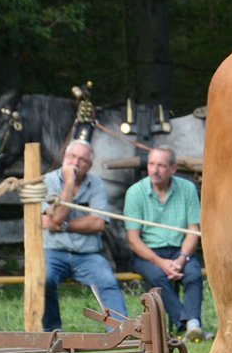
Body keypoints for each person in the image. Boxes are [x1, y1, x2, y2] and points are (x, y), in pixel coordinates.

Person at [42, 139, 128, 331]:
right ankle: (51, 331)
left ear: (89, 165)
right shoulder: (48, 181)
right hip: (54, 251)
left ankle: (120, 331)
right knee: (45, 279)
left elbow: (97, 223)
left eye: (81, 160)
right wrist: (69, 183)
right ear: (64, 158)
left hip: (88, 254)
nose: (75, 163)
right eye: (71, 157)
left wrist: (61, 224)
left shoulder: (96, 184)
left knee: (107, 280)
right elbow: (54, 218)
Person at [124, 146, 207, 342]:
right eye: (151, 164)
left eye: (161, 165)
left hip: (181, 250)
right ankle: (189, 325)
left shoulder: (187, 189)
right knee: (158, 277)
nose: (155, 170)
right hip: (148, 253)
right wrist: (160, 262)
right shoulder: (135, 192)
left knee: (193, 275)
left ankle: (191, 324)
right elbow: (133, 240)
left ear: (173, 169)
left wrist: (181, 259)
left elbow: (193, 229)